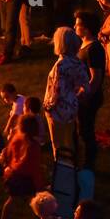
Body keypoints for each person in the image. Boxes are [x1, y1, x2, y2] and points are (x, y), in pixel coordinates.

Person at [42, 27, 89, 160]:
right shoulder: (77, 62)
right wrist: (75, 96)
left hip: (57, 111)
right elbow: (86, 86)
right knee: (70, 142)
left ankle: (62, 173)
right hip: (72, 108)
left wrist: (48, 106)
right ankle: (74, 168)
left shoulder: (60, 65)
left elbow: (57, 90)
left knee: (57, 145)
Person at [74, 10, 105, 173]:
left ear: (86, 28)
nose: (74, 27)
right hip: (83, 95)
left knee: (86, 130)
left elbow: (96, 78)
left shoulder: (94, 49)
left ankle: (89, 163)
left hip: (89, 98)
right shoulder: (84, 44)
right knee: (83, 129)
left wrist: (83, 95)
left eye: (78, 24)